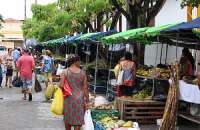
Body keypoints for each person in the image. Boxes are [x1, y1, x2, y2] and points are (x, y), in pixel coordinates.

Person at [60, 55, 89, 130]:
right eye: (79, 61)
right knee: (78, 120)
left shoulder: (65, 72)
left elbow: (61, 85)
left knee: (68, 119)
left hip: (68, 98)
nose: (80, 62)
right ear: (75, 61)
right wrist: (87, 100)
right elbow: (85, 88)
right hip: (80, 99)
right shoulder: (83, 73)